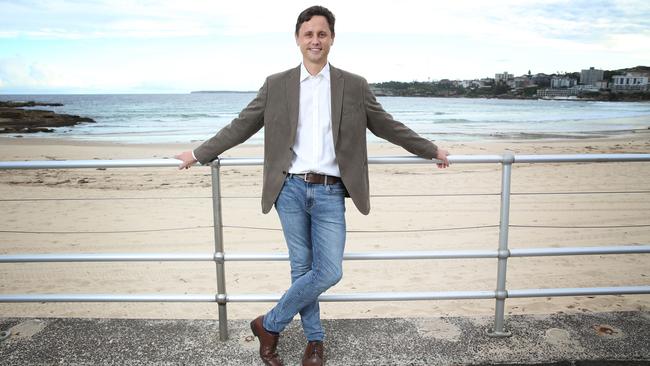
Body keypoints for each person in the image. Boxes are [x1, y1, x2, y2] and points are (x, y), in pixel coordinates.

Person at [175, 5, 450, 366]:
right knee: (301, 270)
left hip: (331, 191)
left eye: (322, 34)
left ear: (332, 38)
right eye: (309, 34)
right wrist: (198, 153)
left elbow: (387, 125)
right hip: (288, 190)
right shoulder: (276, 85)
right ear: (297, 39)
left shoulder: (354, 86)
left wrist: (430, 149)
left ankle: (269, 324)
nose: (315, 40)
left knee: (329, 270)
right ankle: (314, 342)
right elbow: (240, 126)